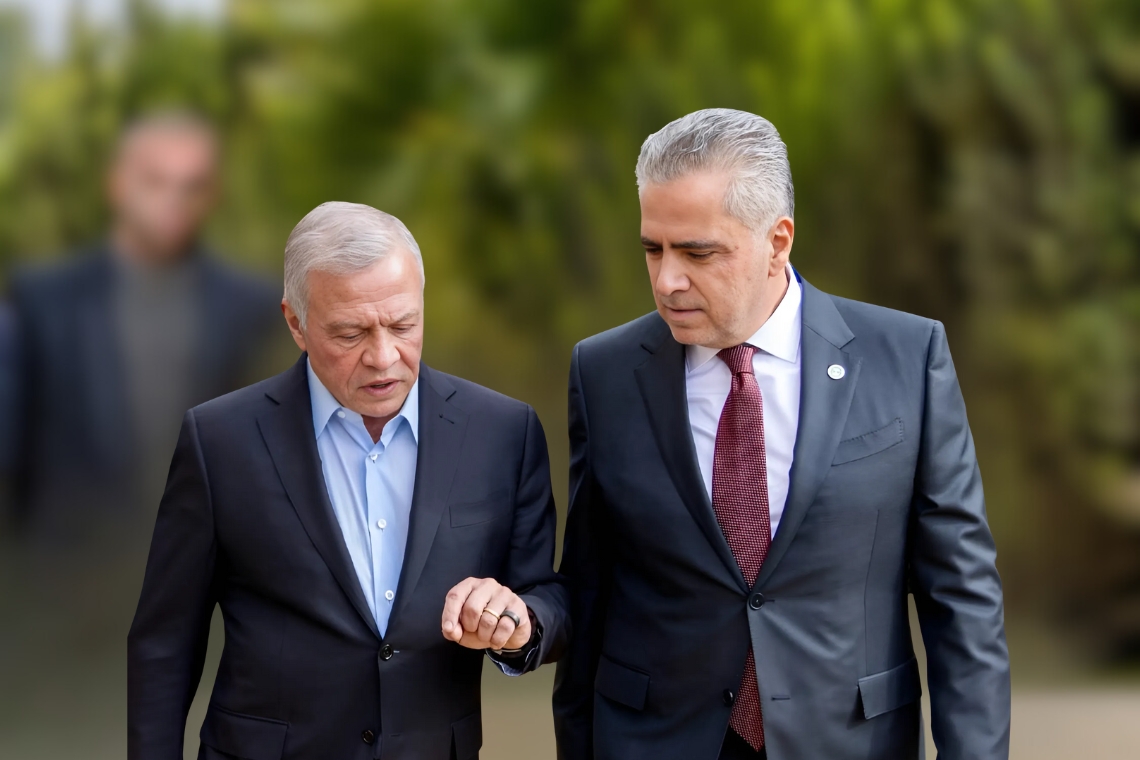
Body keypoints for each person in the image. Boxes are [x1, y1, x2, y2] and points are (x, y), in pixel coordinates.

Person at [553, 109, 1010, 759]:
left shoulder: (907, 357)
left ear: (778, 241)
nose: (667, 280)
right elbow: (589, 591)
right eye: (653, 249)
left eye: (697, 252)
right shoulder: (603, 373)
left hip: (849, 741)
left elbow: (961, 598)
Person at [128, 201, 567, 760]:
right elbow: (165, 644)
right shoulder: (218, 442)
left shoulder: (505, 432)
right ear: (296, 322)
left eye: (403, 325)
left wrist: (518, 624)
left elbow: (549, 599)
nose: (383, 357)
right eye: (350, 333)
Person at [5, 112, 282, 546]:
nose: (174, 200)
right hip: (69, 562)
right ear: (117, 183)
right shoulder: (42, 302)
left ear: (213, 194)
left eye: (192, 185)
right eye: (155, 181)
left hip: (207, 561)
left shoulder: (253, 308)